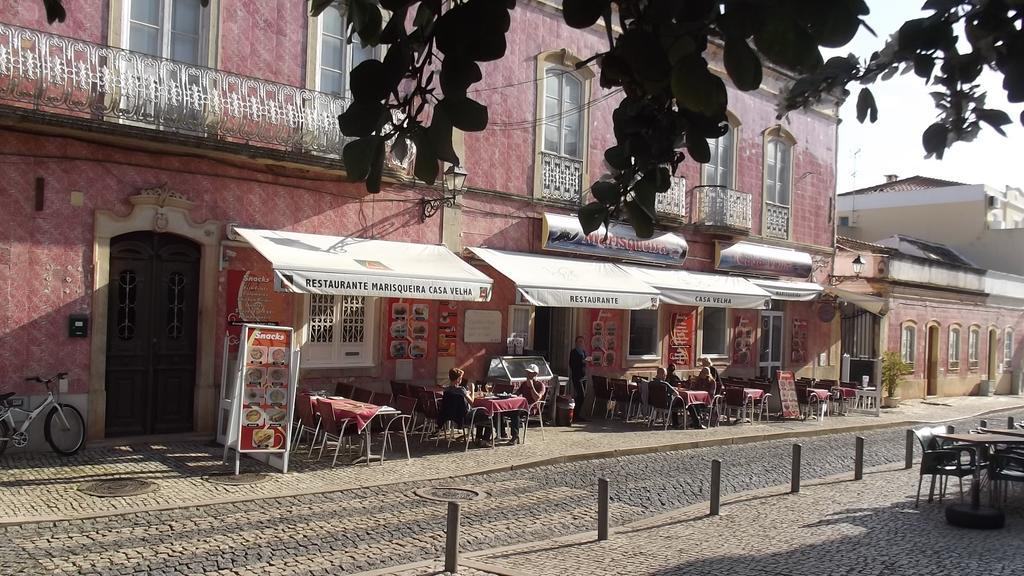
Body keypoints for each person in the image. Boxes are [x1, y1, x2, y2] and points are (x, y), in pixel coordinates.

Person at [569, 336, 588, 422]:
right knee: (581, 395)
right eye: (579, 341)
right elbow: (572, 364)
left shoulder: (583, 352)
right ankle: (574, 413)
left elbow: (585, 362)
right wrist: (581, 361)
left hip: (583, 376)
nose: (581, 343)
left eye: (582, 342)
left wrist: (587, 361)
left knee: (582, 396)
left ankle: (577, 414)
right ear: (576, 343)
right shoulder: (573, 352)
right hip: (577, 377)